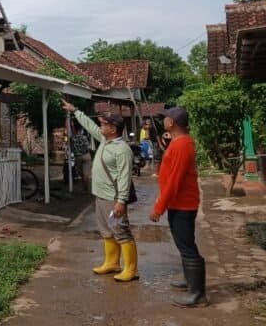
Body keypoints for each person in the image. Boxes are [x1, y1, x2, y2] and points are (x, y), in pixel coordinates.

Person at [61, 99, 139, 282]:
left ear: (113, 129)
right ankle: (112, 263)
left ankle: (131, 269)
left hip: (113, 198)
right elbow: (89, 126)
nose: (100, 126)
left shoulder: (122, 150)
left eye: (104, 124)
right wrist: (75, 110)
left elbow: (125, 177)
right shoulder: (105, 140)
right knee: (106, 230)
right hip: (101, 196)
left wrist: (121, 201)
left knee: (121, 231)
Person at [149, 107, 207, 307]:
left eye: (165, 118)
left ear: (171, 123)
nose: (163, 120)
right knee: (183, 243)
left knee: (187, 246)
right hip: (178, 203)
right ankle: (190, 281)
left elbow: (175, 180)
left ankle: (197, 294)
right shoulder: (178, 142)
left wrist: (159, 207)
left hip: (182, 204)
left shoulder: (182, 145)